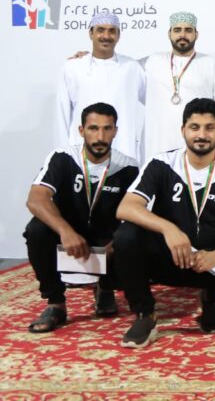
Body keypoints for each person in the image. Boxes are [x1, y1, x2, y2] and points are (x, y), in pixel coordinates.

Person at [114, 98, 215, 348]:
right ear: (183, 130)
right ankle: (144, 313)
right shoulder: (161, 164)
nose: (201, 135)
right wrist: (168, 229)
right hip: (171, 258)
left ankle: (212, 299)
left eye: (209, 128)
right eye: (195, 127)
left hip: (212, 264)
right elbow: (126, 207)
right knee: (125, 236)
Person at [24, 103, 139, 332]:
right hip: (68, 238)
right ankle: (56, 303)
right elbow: (35, 199)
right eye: (93, 128)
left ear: (115, 131)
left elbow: (136, 213)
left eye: (107, 129)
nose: (100, 137)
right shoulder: (63, 158)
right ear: (81, 130)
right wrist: (65, 232)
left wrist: (116, 243)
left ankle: (105, 287)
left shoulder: (128, 166)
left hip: (106, 243)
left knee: (131, 238)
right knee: (36, 229)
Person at [56, 12, 145, 161]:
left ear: (118, 35)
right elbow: (62, 115)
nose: (106, 36)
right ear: (91, 33)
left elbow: (155, 101)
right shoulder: (72, 67)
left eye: (112, 31)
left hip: (123, 154)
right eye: (100, 30)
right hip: (81, 155)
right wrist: (63, 155)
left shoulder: (132, 68)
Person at [144, 12, 215, 158]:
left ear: (196, 34)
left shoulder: (210, 64)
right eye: (177, 30)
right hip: (158, 143)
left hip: (199, 143)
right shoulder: (154, 61)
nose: (182, 35)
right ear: (169, 34)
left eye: (188, 30)